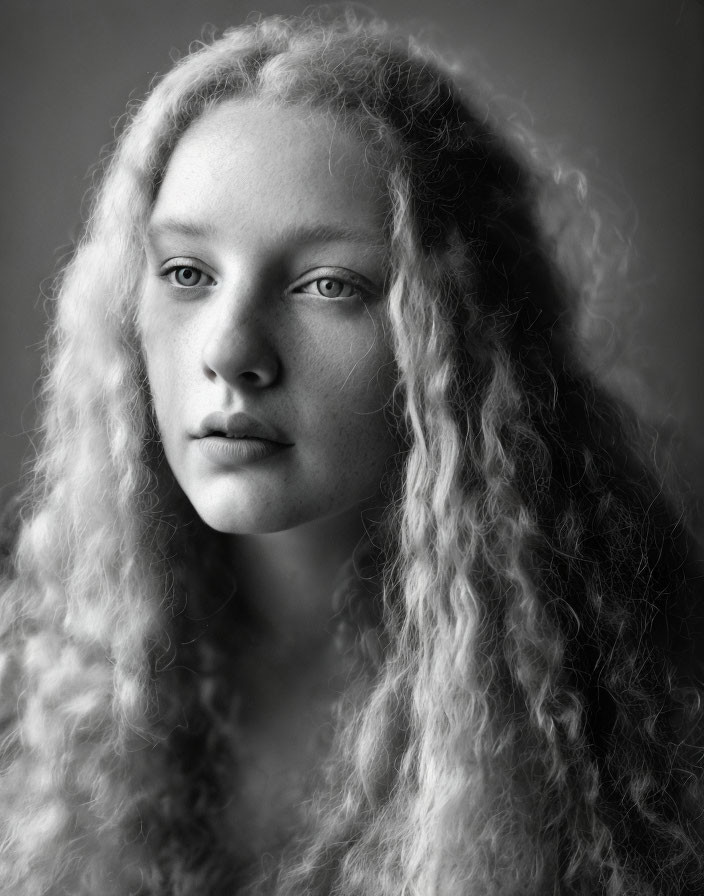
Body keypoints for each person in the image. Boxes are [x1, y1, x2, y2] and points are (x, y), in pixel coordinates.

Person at [0, 10, 701, 896]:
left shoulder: (643, 693)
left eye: (329, 285)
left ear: (463, 337)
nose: (230, 351)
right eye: (186, 273)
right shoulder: (30, 654)